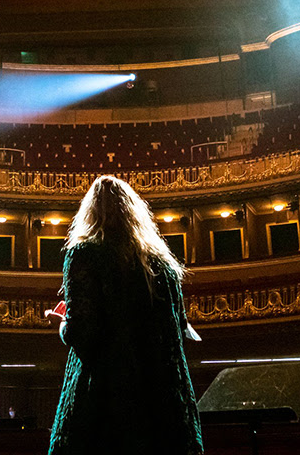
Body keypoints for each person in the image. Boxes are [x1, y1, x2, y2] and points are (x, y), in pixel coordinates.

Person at [48, 175, 203, 455]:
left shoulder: (85, 253)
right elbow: (180, 328)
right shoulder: (164, 265)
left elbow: (84, 333)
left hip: (107, 397)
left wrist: (61, 324)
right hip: (162, 398)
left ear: (90, 211)